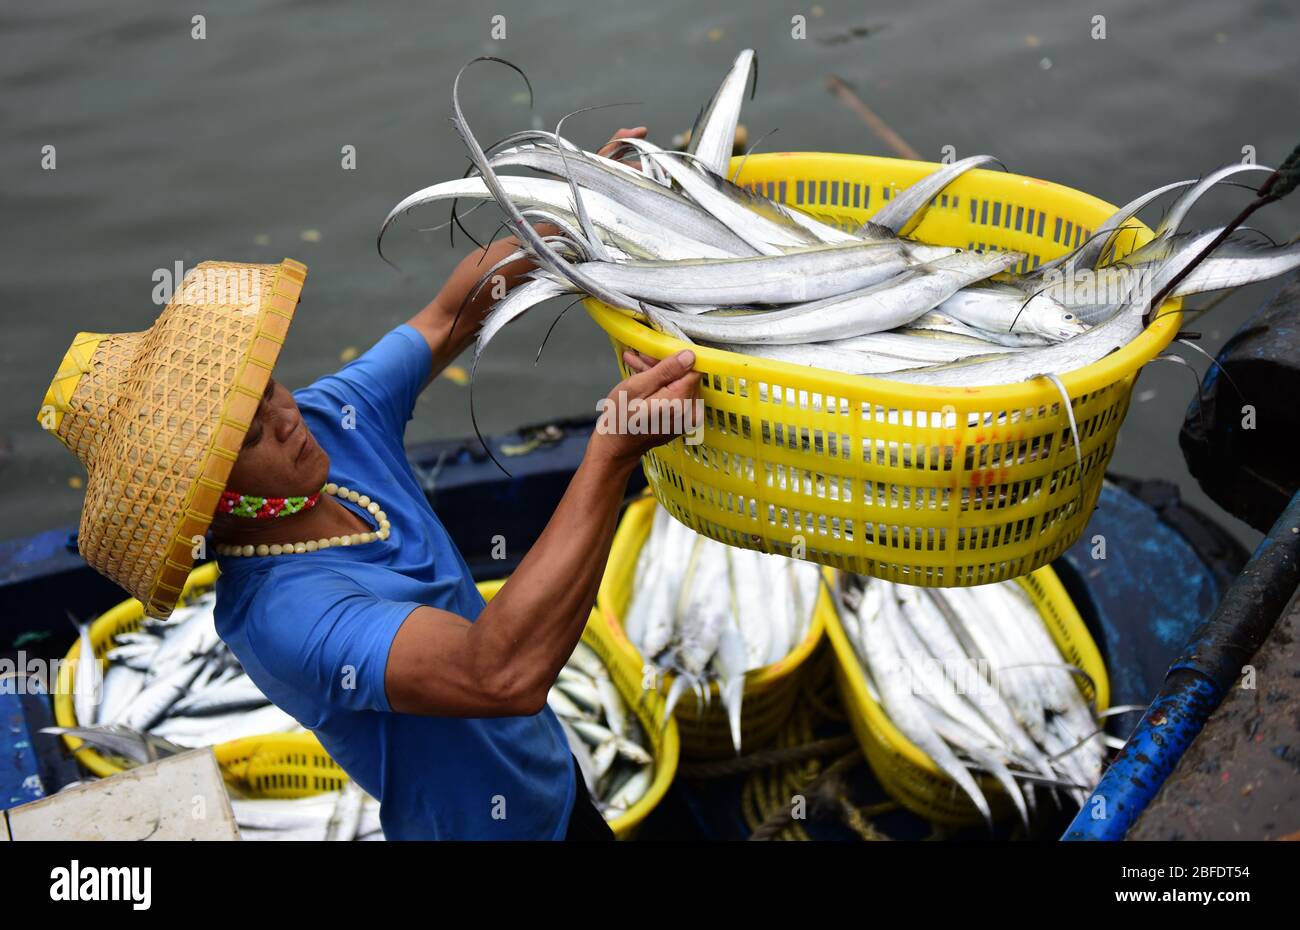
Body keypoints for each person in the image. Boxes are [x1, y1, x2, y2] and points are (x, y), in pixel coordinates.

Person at [38, 127, 701, 840]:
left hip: (556, 787)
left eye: (266, 391)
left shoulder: (331, 421)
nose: (286, 418)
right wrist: (611, 454)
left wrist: (568, 208)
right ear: (211, 500)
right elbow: (500, 674)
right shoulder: (285, 615)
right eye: (251, 434)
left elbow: (451, 314)